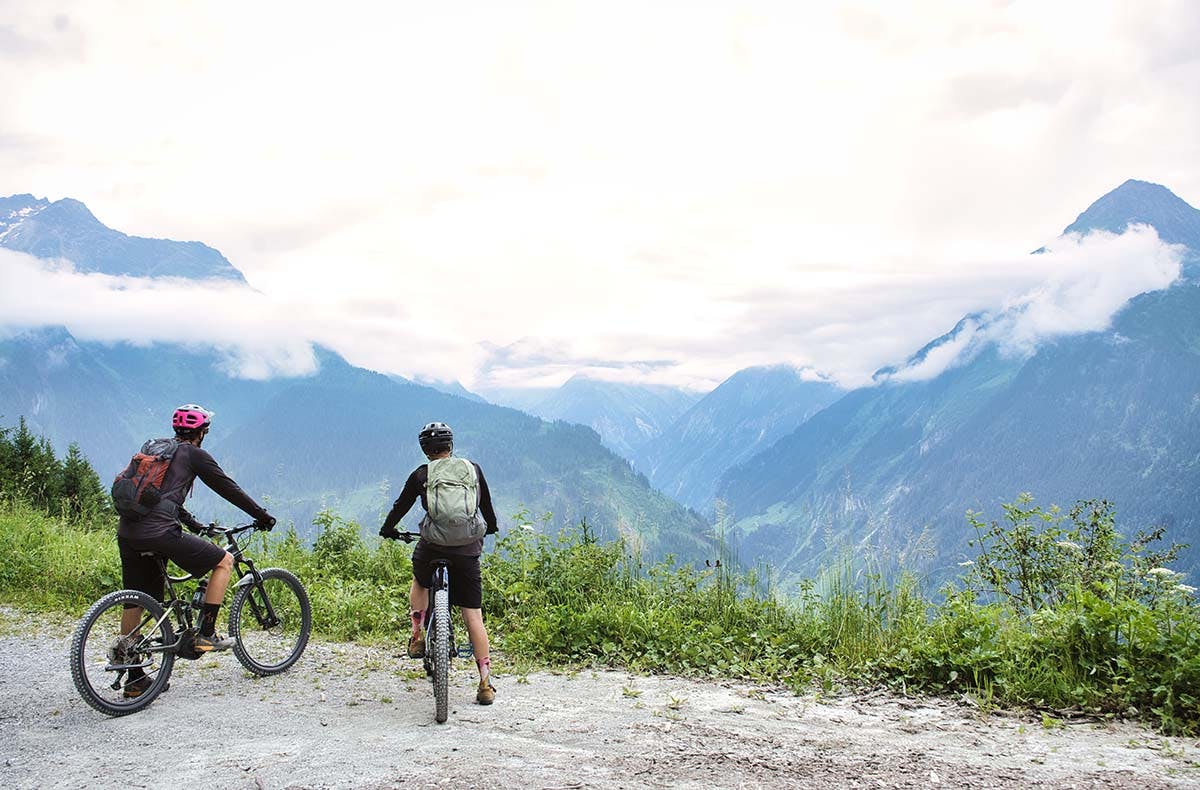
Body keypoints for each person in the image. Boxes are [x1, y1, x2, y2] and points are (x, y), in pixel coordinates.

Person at [116, 404, 276, 697]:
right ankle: (206, 635)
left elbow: (157, 498)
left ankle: (134, 679)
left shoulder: (156, 450)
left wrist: (193, 524)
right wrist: (261, 515)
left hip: (128, 532)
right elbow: (227, 488)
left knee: (136, 601)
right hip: (159, 534)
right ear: (202, 432)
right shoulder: (194, 454)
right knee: (224, 561)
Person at [379, 422, 499, 705]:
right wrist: (491, 527)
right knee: (473, 616)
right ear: (450, 446)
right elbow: (486, 505)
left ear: (425, 450)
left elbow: (400, 506)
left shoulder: (422, 475)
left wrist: (388, 529)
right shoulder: (472, 469)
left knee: (420, 580)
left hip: (432, 547)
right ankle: (485, 683)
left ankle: (417, 636)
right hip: (467, 549)